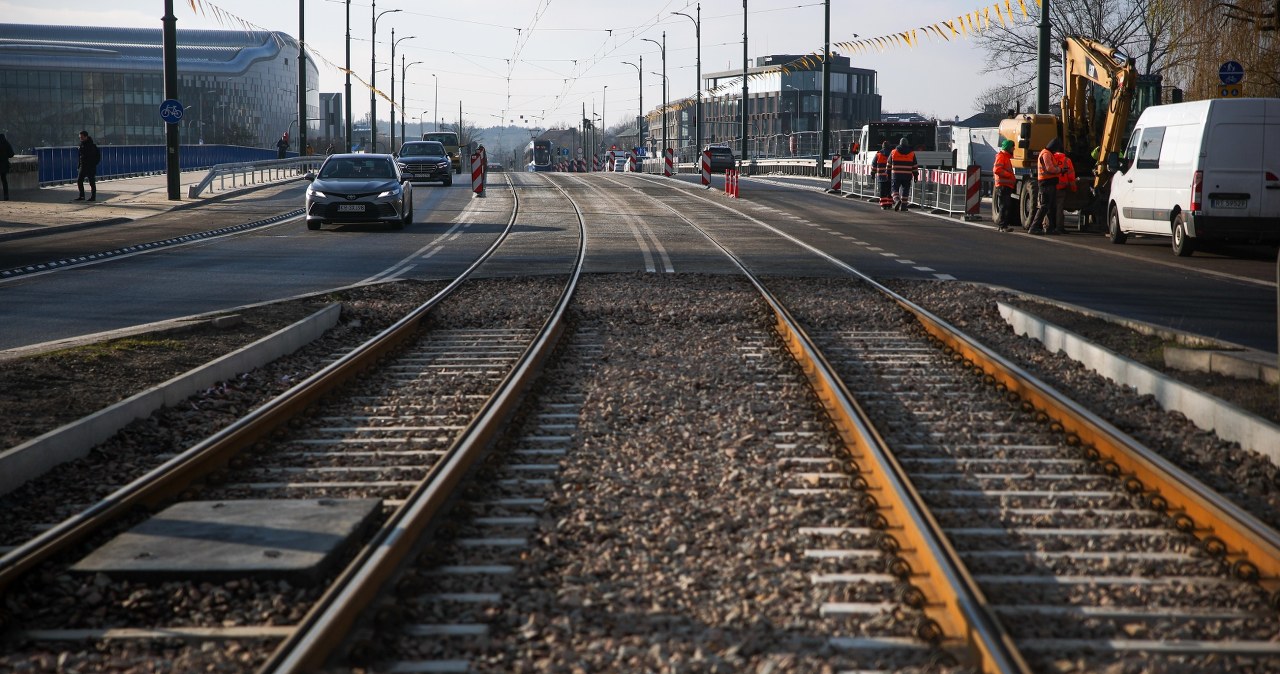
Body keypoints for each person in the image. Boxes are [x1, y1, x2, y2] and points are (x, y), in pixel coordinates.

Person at [1025, 137, 1062, 235]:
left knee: (1050, 206)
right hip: (1046, 183)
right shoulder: (1046, 154)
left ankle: (1050, 228)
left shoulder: (1047, 153)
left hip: (1048, 183)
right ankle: (1034, 227)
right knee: (1044, 206)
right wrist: (1059, 170)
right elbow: (1050, 168)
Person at [992, 139, 1016, 232]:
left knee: (1005, 205)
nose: (1013, 149)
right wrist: (1009, 175)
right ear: (1008, 147)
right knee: (1004, 206)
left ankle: (1003, 226)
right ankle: (1003, 226)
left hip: (1005, 185)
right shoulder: (1002, 157)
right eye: (1012, 147)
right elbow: (997, 169)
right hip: (1003, 185)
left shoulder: (1005, 157)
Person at [889, 136, 917, 212]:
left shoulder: (893, 152)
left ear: (900, 143)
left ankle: (897, 200)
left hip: (896, 175)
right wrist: (916, 176)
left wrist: (888, 173)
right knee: (905, 191)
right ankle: (904, 207)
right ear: (907, 144)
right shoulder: (912, 153)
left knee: (894, 189)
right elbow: (914, 166)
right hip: (907, 175)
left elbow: (888, 164)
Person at [1052, 149, 1077, 234]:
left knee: (1048, 207)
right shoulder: (1067, 160)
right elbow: (1071, 176)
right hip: (1061, 187)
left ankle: (1048, 226)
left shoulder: (1051, 158)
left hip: (1051, 186)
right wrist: (1073, 188)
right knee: (1059, 208)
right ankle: (1059, 227)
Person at [75, 130, 100, 202]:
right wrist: (79, 166)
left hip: (90, 166)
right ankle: (82, 196)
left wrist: (93, 164)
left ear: (86, 137)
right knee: (79, 181)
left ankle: (93, 197)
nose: (81, 139)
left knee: (91, 182)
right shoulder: (81, 145)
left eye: (82, 137)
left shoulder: (92, 146)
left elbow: (97, 157)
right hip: (82, 166)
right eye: (80, 137)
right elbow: (80, 157)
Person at [873, 140, 893, 209]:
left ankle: (883, 205)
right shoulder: (892, 154)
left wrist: (873, 173)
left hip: (881, 176)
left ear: (882, 146)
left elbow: (874, 165)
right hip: (890, 176)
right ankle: (890, 204)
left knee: (882, 191)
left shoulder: (878, 154)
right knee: (889, 191)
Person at [0, 133, 14, 201]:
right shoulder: (6, 143)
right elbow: (11, 154)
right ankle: (6, 196)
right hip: (4, 165)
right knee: (4, 180)